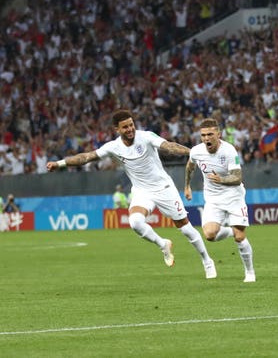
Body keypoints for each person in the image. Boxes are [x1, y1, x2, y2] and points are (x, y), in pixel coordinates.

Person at [47, 109, 215, 279]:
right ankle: (163, 244)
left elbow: (169, 146)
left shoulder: (146, 136)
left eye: (131, 125)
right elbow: (86, 157)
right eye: (125, 127)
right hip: (142, 191)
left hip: (163, 188)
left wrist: (192, 152)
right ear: (117, 130)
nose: (130, 129)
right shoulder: (113, 147)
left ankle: (207, 261)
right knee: (135, 222)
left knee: (186, 229)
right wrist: (60, 163)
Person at [184, 118, 255, 282]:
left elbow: (237, 178)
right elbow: (190, 166)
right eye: (203, 135)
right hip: (213, 199)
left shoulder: (229, 151)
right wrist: (187, 186)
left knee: (240, 237)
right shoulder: (196, 151)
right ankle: (229, 231)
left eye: (210, 134)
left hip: (234, 198)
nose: (206, 138)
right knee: (209, 235)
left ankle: (250, 272)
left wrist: (221, 180)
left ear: (218, 134)